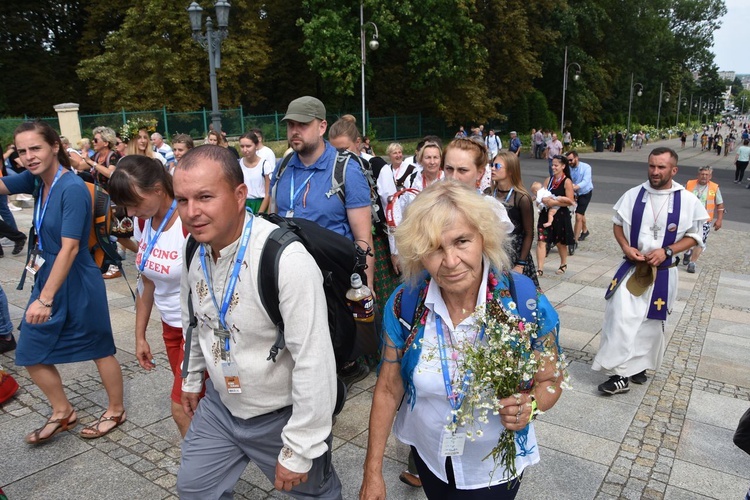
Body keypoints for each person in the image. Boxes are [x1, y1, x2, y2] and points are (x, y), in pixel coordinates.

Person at [359, 181, 563, 499]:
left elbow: (552, 379)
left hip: (496, 466)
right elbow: (387, 389)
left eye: (461, 242)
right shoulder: (405, 303)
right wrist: (372, 472)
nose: (451, 261)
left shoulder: (525, 301)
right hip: (430, 456)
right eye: (435, 248)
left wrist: (532, 404)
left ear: (484, 239)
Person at [174, 145, 341, 498]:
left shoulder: (286, 259)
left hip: (282, 414)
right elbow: (197, 322)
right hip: (222, 406)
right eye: (182, 200)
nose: (192, 212)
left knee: (314, 494)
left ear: (239, 195)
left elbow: (315, 359)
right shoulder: (193, 248)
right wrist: (190, 379)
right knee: (194, 489)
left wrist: (299, 448)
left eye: (205, 197)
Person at [0, 121, 125, 443]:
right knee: (29, 349)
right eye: (23, 150)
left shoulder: (70, 187)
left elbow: (70, 247)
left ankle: (115, 409)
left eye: (36, 148)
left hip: (76, 278)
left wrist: (45, 299)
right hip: (48, 273)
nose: (29, 156)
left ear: (54, 146)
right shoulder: (35, 179)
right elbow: (3, 186)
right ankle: (62, 411)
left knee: (99, 347)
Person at [271, 96, 374, 386]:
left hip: (330, 279)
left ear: (321, 126)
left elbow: (363, 237)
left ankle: (330, 394)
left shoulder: (345, 170)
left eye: (302, 124)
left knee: (329, 349)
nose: (295, 130)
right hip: (288, 275)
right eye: (291, 124)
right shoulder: (283, 166)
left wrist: (366, 288)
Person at [592, 147, 708, 394]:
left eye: (661, 167)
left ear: (673, 170)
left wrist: (667, 251)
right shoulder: (634, 195)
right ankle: (619, 373)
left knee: (651, 322)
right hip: (633, 269)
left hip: (664, 272)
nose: (655, 171)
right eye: (652, 166)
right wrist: (626, 246)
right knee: (621, 318)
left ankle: (638, 366)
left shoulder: (687, 200)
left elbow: (694, 237)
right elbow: (618, 226)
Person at [108, 155, 198, 438]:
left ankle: (201, 479)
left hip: (196, 330)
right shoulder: (144, 223)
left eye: (136, 203)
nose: (132, 212)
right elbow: (147, 283)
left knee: (181, 407)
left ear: (158, 189)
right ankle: (214, 462)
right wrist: (140, 336)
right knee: (198, 404)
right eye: (128, 206)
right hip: (171, 328)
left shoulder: (188, 222)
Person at [442, 138, 514, 234]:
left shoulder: (491, 209)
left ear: (480, 173)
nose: (454, 177)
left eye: (463, 170)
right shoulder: (430, 204)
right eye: (449, 169)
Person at [490, 151, 539, 285]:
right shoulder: (488, 193)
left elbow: (529, 233)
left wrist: (521, 264)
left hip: (515, 253)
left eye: (497, 166)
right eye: (492, 165)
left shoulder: (521, 198)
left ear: (511, 170)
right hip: (493, 250)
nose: (492, 169)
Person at [535, 155, 575, 276]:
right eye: (552, 165)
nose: (553, 167)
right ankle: (540, 268)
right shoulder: (549, 180)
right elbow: (541, 195)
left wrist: (555, 202)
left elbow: (570, 200)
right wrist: (540, 201)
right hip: (545, 214)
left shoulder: (567, 181)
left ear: (563, 166)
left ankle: (563, 263)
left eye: (556, 165)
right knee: (541, 241)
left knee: (560, 242)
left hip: (560, 215)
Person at [682, 166, 724, 274]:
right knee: (686, 239)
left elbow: (720, 205)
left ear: (710, 176)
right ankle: (687, 252)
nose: (704, 176)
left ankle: (692, 263)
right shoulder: (690, 184)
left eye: (706, 174)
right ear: (698, 175)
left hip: (705, 220)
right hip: (689, 218)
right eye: (702, 174)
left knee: (700, 242)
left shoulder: (714, 188)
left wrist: (719, 220)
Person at [567, 150, 594, 252]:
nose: (569, 162)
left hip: (585, 193)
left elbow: (586, 181)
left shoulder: (586, 167)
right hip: (573, 193)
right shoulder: (568, 167)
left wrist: (575, 187)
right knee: (581, 213)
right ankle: (585, 230)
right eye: (568, 160)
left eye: (571, 160)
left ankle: (575, 240)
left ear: (576, 158)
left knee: (578, 215)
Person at [238, 131, 272, 214]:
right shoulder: (238, 164)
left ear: (256, 146)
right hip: (243, 204)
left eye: (248, 146)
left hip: (260, 204)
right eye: (242, 146)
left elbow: (268, 193)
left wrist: (260, 213)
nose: (245, 150)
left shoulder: (264, 165)